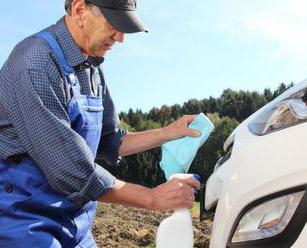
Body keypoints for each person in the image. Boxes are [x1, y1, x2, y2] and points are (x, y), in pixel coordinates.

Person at [0, 0, 200, 247]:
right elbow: (72, 172)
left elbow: (110, 140)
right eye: (113, 24)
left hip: (76, 224)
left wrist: (169, 133)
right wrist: (152, 198)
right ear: (79, 9)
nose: (120, 37)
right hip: (26, 222)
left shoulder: (91, 69)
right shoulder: (35, 62)